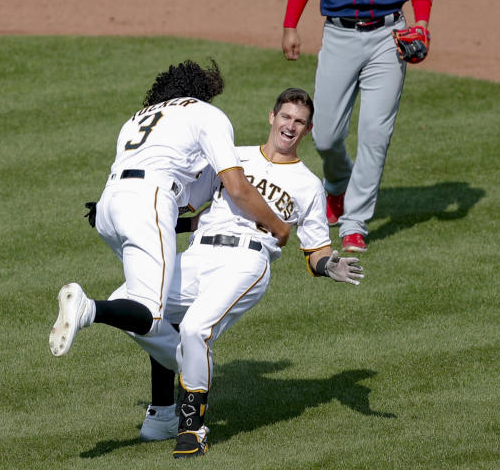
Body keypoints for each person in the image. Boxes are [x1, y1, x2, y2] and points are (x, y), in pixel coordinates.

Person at [126, 88, 365, 458]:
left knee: (195, 329)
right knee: (133, 306)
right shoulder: (233, 157)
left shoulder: (309, 185)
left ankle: (192, 428)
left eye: (299, 122)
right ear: (272, 117)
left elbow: (315, 250)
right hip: (198, 253)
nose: (290, 126)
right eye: (285, 117)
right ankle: (173, 395)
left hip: (247, 262)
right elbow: (188, 206)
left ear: (308, 129)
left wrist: (329, 264)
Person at [48, 59, 290, 359]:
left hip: (109, 205)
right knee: (150, 313)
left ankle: (167, 400)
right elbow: (238, 188)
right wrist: (279, 227)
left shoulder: (136, 119)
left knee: (156, 311)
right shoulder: (206, 114)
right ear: (202, 91)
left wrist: (191, 224)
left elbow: (174, 206)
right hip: (148, 199)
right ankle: (88, 309)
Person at [280, 0, 436, 253]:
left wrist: (421, 24)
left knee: (374, 134)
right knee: (327, 135)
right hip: (339, 35)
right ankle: (336, 184)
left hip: (389, 38)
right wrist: (290, 24)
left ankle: (355, 222)